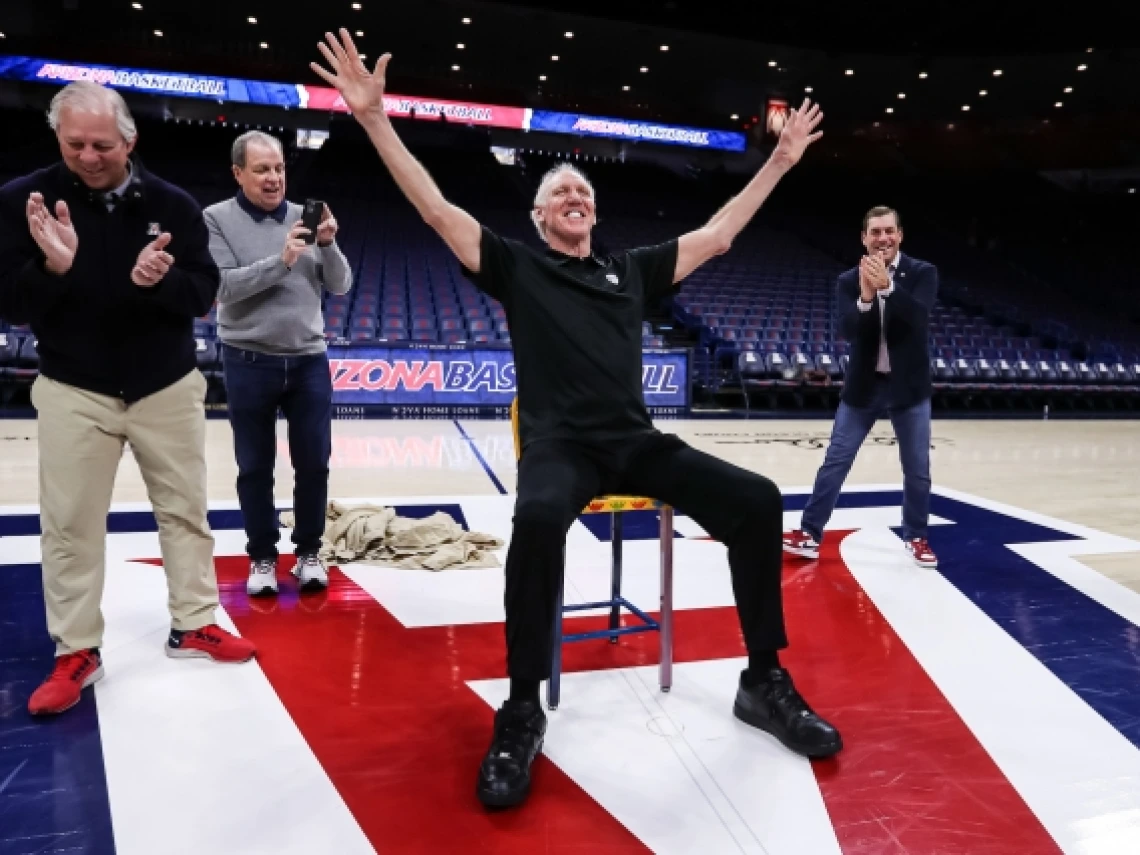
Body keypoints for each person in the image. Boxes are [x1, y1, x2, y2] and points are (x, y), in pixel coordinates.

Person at [312, 30, 843, 807]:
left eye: (583, 192)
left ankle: (762, 678)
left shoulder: (631, 271)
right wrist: (374, 119)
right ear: (537, 216)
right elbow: (433, 209)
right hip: (561, 447)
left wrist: (780, 160)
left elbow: (721, 233)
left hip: (635, 442)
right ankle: (523, 706)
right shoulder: (520, 267)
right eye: (559, 191)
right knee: (535, 518)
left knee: (757, 499)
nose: (575, 196)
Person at [0, 81, 256, 717]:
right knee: (69, 524)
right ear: (57, 138)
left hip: (165, 386)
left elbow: (204, 293)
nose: (89, 156)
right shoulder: (19, 201)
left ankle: (194, 620)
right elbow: (7, 301)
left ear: (130, 140)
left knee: (186, 511)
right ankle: (77, 649)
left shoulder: (173, 204)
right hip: (72, 387)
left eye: (103, 145)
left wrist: (162, 281)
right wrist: (49, 270)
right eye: (75, 144)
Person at [203, 132, 353, 596]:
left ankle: (308, 550)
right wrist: (282, 260)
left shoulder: (304, 218)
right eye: (263, 169)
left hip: (308, 359)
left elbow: (342, 285)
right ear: (238, 173)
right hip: (248, 360)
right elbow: (223, 287)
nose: (274, 178)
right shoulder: (215, 219)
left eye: (279, 169)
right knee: (254, 466)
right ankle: (263, 558)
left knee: (314, 464)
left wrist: (327, 244)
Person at [783, 207, 939, 569]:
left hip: (909, 387)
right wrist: (867, 299)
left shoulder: (922, 273)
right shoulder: (847, 280)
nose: (882, 238)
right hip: (863, 386)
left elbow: (918, 318)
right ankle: (809, 533)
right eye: (875, 232)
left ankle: (916, 536)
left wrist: (888, 287)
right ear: (864, 238)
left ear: (900, 235)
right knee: (836, 460)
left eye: (889, 231)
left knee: (917, 467)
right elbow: (848, 331)